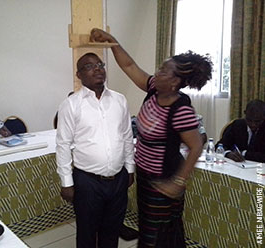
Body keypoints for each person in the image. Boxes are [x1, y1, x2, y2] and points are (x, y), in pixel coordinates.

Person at [90, 28, 213, 248]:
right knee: (149, 229)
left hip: (165, 179)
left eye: (164, 70)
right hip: (146, 176)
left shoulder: (180, 109)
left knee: (157, 237)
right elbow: (129, 66)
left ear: (175, 82)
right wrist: (113, 42)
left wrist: (178, 182)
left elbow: (196, 146)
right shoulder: (155, 88)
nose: (157, 72)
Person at [56, 52, 135, 248]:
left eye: (100, 64)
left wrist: (130, 169)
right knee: (87, 233)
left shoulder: (119, 100)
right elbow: (63, 144)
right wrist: (67, 182)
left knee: (112, 230)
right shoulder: (71, 104)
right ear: (79, 75)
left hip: (118, 179)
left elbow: (126, 135)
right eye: (90, 66)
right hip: (87, 182)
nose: (98, 68)